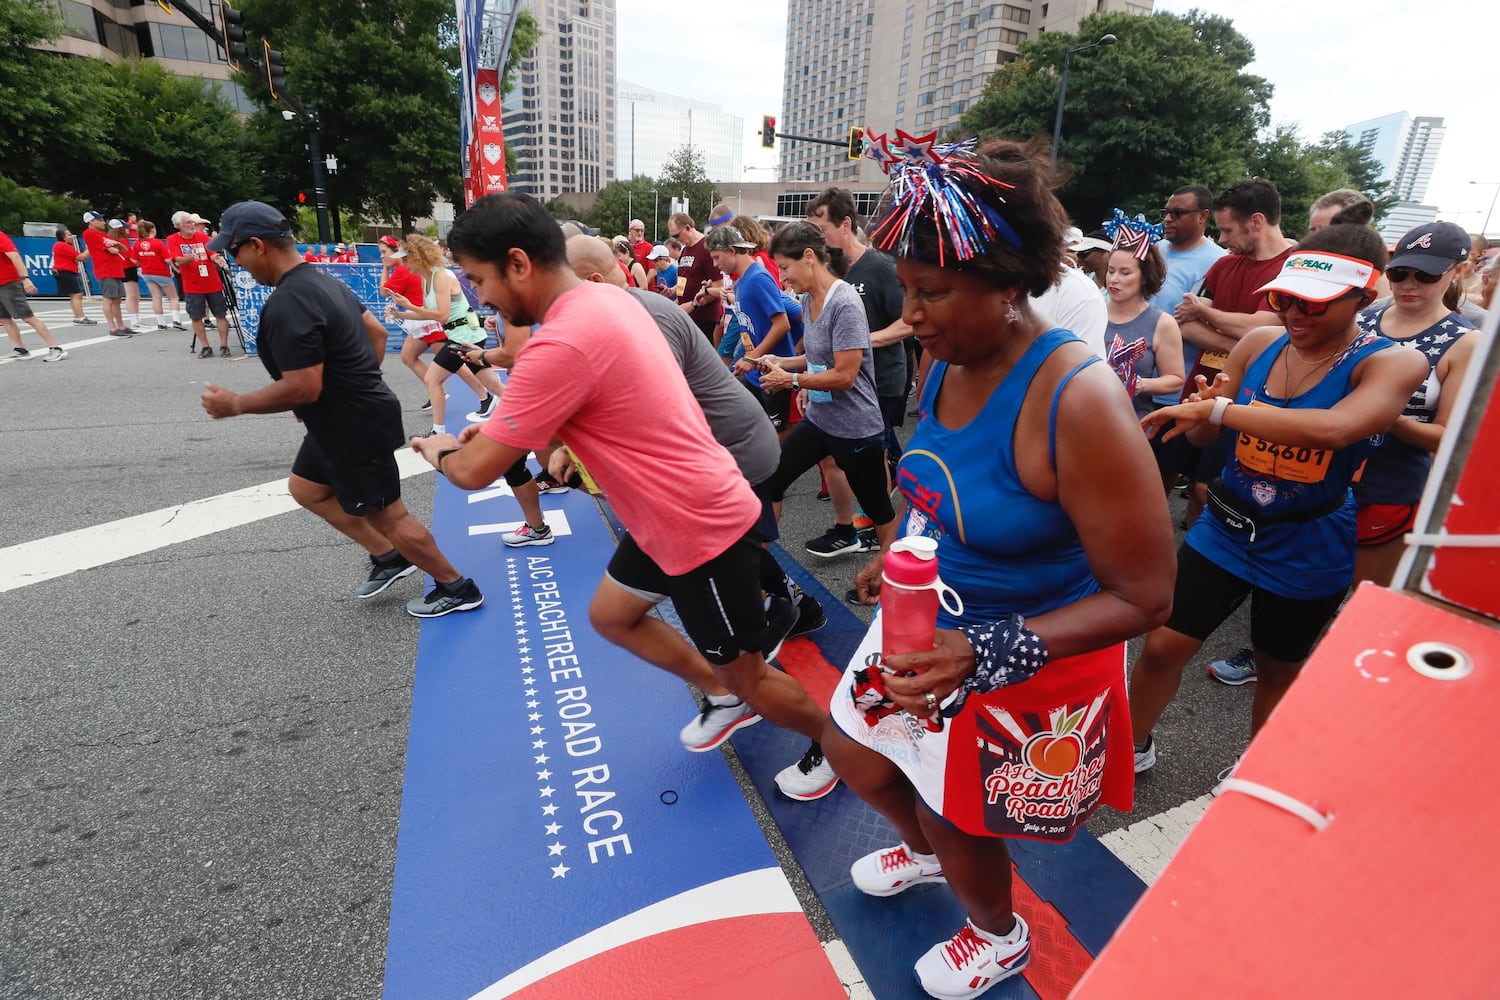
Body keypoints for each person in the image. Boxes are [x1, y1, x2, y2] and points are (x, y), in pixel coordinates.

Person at [828, 137, 1174, 999]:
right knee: (854, 752)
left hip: (1021, 647)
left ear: (1012, 281)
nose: (912, 313)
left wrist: (982, 652)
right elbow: (934, 487)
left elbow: (1145, 594)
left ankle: (998, 932)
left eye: (933, 292)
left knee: (961, 815)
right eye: (906, 290)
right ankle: (925, 851)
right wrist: (893, 551)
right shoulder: (945, 360)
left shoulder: (1078, 398)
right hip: (926, 626)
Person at [421, 192, 828, 789]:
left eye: (480, 280)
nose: (479, 297)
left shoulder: (558, 343)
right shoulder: (605, 303)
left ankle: (838, 744)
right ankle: (724, 689)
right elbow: (611, 400)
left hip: (697, 524)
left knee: (752, 676)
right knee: (614, 615)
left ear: (518, 263)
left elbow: (474, 472)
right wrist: (543, 431)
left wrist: (442, 449)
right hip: (673, 509)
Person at [1131, 219, 1428, 770]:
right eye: (1284, 299)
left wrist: (1219, 409)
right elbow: (1204, 437)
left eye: (1312, 305)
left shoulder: (1393, 361)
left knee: (1276, 667)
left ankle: (1254, 770)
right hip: (1227, 523)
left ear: (1364, 297)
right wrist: (1210, 405)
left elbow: (1337, 430)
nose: (1293, 315)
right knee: (1163, 647)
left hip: (1310, 539)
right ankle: (1132, 746)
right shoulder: (1262, 341)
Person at [200, 201, 483, 618]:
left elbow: (302, 386)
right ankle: (388, 557)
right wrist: (357, 380)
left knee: (388, 513)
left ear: (257, 245)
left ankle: (456, 586)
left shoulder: (290, 301)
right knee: (307, 488)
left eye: (234, 251)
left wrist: (236, 404)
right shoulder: (323, 280)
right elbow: (375, 331)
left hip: (350, 423)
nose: (235, 262)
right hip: (347, 416)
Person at [1350, 221, 1478, 590]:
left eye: (1426, 275)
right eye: (1399, 272)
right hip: (1326, 471)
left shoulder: (1465, 341)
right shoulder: (1363, 317)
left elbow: (1445, 437)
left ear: (1458, 272)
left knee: (1360, 599)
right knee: (1296, 585)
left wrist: (1383, 414)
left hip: (1388, 488)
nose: (1409, 283)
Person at [1174, 179, 1294, 536]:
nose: (1222, 240)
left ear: (1256, 221)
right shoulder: (1225, 266)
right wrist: (1240, 334)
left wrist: (1211, 316)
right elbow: (1185, 323)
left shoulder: (1292, 269)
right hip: (1199, 391)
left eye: (1227, 230)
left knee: (1211, 491)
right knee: (1186, 483)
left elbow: (1266, 327)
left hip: (1249, 402)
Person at [807, 186, 912, 550]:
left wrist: (861, 341)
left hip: (881, 380)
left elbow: (909, 323)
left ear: (846, 224)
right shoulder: (829, 272)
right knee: (842, 455)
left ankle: (874, 531)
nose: (817, 241)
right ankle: (851, 524)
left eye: (821, 231)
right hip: (840, 380)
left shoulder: (880, 267)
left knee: (872, 455)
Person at [385, 234, 502, 432]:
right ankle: (523, 410)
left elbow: (442, 315)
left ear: (418, 257)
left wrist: (409, 305)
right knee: (491, 383)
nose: (403, 264)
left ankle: (438, 432)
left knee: (433, 379)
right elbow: (430, 314)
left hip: (464, 337)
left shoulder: (441, 276)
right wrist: (400, 313)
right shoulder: (426, 279)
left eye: (406, 259)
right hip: (463, 335)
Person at [715, 226, 799, 436]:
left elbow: (782, 324)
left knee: (778, 435)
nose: (716, 265)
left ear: (731, 251)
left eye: (717, 258)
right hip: (755, 372)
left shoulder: (758, 277)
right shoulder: (742, 281)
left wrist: (751, 357)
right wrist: (741, 362)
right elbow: (749, 330)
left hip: (774, 371)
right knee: (754, 431)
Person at [1104, 236, 1185, 431]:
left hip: (1133, 427)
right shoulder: (1091, 311)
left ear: (1144, 278)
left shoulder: (1162, 323)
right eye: (1110, 271)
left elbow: (1176, 379)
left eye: (1125, 273)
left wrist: (1140, 384)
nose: (1114, 279)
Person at [168, 211, 232, 357]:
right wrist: (190, 258)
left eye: (192, 222)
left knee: (221, 314)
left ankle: (224, 345)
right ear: (178, 226)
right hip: (192, 284)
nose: (192, 225)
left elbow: (211, 253)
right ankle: (206, 346)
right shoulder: (173, 239)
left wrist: (218, 258)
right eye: (188, 223)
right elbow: (177, 259)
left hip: (212, 282)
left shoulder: (202, 237)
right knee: (196, 316)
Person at [0, 228, 67, 361]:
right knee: (5, 319)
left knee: (28, 317)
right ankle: (20, 349)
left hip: (8, 282)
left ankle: (55, 348)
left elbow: (14, 256)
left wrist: (25, 278)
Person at [668, 212, 724, 341]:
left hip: (703, 316)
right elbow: (684, 280)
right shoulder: (685, 250)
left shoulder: (706, 248)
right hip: (687, 313)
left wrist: (693, 304)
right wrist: (673, 293)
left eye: (677, 235)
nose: (676, 240)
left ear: (688, 228)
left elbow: (718, 285)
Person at [81, 211, 129, 337]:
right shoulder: (89, 233)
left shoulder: (102, 234)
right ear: (90, 221)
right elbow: (113, 249)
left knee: (117, 299)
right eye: (99, 220)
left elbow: (121, 247)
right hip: (105, 269)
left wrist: (116, 245)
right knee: (109, 298)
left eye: (102, 220)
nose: (103, 222)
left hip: (114, 268)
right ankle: (112, 328)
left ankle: (121, 326)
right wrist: (115, 245)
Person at [133, 220, 182, 332]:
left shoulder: (137, 243)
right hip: (161, 272)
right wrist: (176, 269)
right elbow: (167, 259)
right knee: (173, 297)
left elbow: (135, 260)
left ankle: (161, 323)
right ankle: (176, 320)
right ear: (152, 230)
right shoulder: (158, 243)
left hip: (146, 272)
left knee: (156, 297)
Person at [50, 227, 96, 327]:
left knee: (74, 295)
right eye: (69, 235)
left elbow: (77, 258)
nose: (72, 236)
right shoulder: (62, 245)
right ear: (63, 237)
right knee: (77, 294)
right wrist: (91, 248)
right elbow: (81, 258)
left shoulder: (63, 246)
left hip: (66, 271)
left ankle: (78, 316)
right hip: (65, 271)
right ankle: (80, 317)